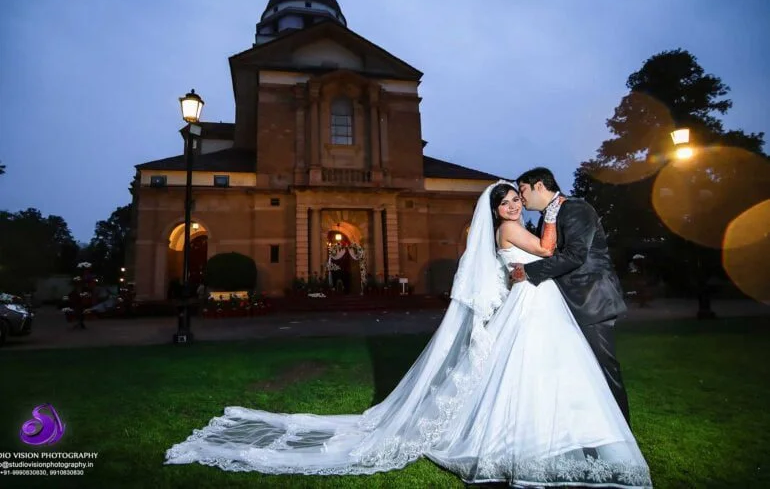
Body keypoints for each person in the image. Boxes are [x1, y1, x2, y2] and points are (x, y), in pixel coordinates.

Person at [165, 181, 651, 488]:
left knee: (541, 371)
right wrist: (548, 216)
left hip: (536, 304)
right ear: (495, 208)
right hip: (534, 306)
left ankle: (561, 428)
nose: (511, 204)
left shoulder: (506, 230)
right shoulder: (511, 232)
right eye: (505, 200)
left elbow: (537, 261)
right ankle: (537, 436)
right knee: (532, 371)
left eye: (513, 199)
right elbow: (548, 249)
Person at [510, 167, 631, 424]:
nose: (520, 198)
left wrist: (528, 271)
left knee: (604, 369)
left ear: (539, 186)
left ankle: (622, 436)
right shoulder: (549, 217)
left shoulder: (576, 208)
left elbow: (576, 255)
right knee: (579, 372)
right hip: (567, 305)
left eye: (522, 191)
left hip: (592, 300)